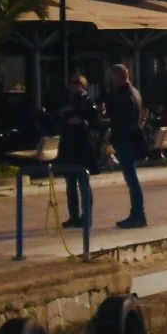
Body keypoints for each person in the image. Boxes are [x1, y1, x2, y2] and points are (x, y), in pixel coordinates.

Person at [104, 63, 148, 229]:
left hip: (126, 139)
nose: (110, 83)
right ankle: (137, 213)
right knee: (131, 178)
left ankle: (138, 214)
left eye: (112, 79)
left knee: (131, 179)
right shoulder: (134, 92)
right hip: (129, 137)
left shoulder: (125, 95)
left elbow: (124, 119)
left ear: (117, 78)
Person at [57, 72, 97, 228]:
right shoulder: (65, 100)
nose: (74, 86)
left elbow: (92, 119)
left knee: (84, 182)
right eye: (72, 83)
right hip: (68, 144)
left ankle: (87, 216)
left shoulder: (87, 101)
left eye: (77, 83)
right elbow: (59, 116)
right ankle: (73, 216)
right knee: (70, 183)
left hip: (82, 145)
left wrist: (81, 120)